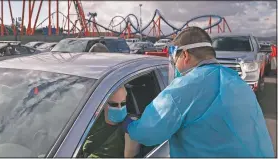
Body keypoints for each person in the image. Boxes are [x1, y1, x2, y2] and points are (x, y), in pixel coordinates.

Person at [122, 26, 274, 157]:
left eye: (175, 61)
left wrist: (128, 123)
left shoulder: (182, 88)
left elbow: (148, 133)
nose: (175, 66)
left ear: (185, 56)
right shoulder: (237, 81)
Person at [81, 87, 140, 158]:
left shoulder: (131, 123)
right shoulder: (92, 119)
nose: (120, 108)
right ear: (102, 104)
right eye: (114, 104)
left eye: (123, 103)